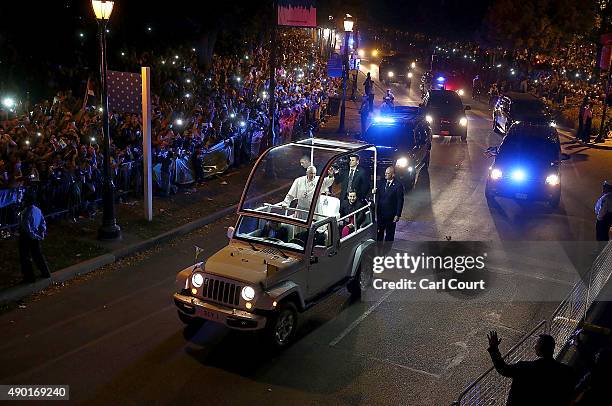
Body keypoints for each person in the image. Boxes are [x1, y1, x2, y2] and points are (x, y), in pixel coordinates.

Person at [487, 331, 576, 406]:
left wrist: (494, 349)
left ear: (539, 348)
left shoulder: (525, 367)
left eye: (537, 344)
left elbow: (503, 369)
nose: (535, 346)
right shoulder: (567, 371)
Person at [17, 191, 51, 283]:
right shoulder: (37, 210)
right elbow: (43, 222)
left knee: (25, 257)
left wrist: (35, 236)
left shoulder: (26, 212)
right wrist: (41, 233)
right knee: (38, 255)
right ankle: (45, 272)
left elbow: (27, 228)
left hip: (27, 237)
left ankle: (29, 277)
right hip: (35, 235)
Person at [375, 166, 404, 241]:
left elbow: (400, 201)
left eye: (387, 173)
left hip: (390, 215)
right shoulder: (382, 182)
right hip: (381, 213)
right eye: (385, 173)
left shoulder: (398, 185)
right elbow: (379, 192)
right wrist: (375, 191)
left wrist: (397, 214)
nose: (385, 174)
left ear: (393, 174)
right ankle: (379, 248)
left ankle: (387, 249)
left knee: (389, 234)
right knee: (379, 232)